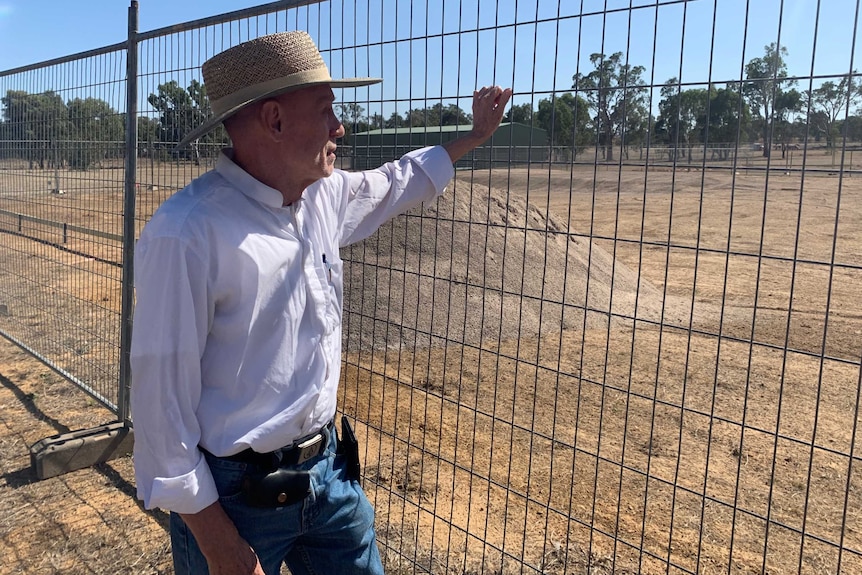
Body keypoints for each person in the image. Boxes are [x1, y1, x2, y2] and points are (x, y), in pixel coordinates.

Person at [130, 30, 511, 575]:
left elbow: (398, 181)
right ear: (275, 120)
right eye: (328, 109)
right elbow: (160, 409)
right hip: (235, 500)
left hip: (329, 476)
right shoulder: (187, 234)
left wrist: (473, 138)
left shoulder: (322, 197)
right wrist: (217, 541)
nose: (341, 127)